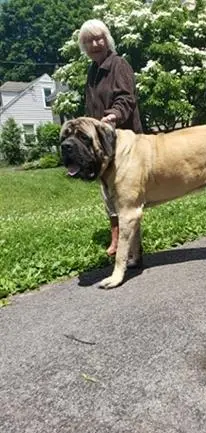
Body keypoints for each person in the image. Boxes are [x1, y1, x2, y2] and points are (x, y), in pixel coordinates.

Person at [78, 19, 143, 258]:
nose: (95, 43)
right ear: (83, 45)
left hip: (124, 142)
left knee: (126, 197)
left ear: (107, 39)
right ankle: (121, 241)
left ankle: (128, 249)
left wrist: (113, 115)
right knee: (109, 194)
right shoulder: (93, 71)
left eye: (99, 38)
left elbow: (126, 99)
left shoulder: (119, 65)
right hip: (102, 144)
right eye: (89, 40)